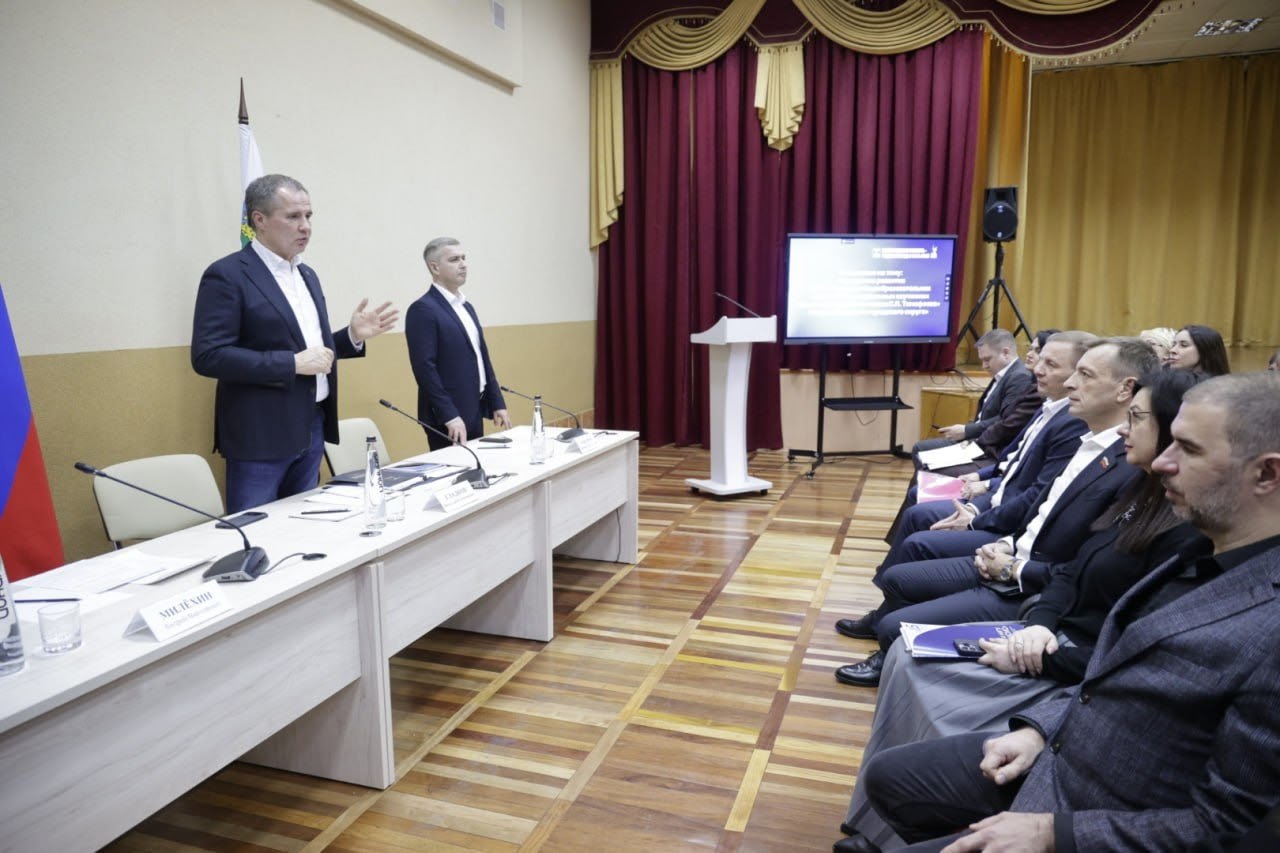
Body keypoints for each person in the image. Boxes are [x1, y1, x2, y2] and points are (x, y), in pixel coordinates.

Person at [858, 371, 1280, 853]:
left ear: (1267, 474)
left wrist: (1053, 834)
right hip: (1065, 751)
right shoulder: (1203, 545)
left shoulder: (1263, 620)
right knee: (890, 778)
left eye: (1189, 449)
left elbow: (1234, 829)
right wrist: (1041, 729)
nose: (1165, 461)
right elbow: (1112, 670)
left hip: (1103, 814)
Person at [835, 338, 1158, 686]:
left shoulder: (1125, 462)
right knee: (900, 574)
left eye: (1085, 374)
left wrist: (1011, 564)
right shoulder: (1091, 442)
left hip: (1029, 585)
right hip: (1011, 554)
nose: (1069, 383)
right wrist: (1005, 544)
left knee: (894, 616)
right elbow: (1037, 504)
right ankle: (891, 637)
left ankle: (890, 644)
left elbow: (1080, 565)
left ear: (1125, 389)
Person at [192, 174, 397, 512]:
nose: (305, 226)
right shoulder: (228, 274)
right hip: (261, 435)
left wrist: (352, 337)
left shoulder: (306, 274)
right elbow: (209, 355)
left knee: (303, 528)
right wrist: (291, 364)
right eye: (293, 216)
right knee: (257, 530)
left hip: (312, 423)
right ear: (259, 220)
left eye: (308, 216)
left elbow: (310, 351)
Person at [405, 237, 511, 450]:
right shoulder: (423, 309)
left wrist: (496, 401)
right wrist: (449, 415)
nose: (463, 264)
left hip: (474, 407)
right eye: (454, 260)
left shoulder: (466, 306)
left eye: (464, 258)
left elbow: (481, 357)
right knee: (455, 469)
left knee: (477, 467)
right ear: (435, 267)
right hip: (447, 417)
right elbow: (424, 369)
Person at [914, 329, 1036, 462]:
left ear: (1006, 352)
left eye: (987, 359)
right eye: (982, 361)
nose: (984, 366)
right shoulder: (1004, 375)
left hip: (990, 447)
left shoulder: (1019, 377)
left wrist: (967, 431)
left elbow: (1006, 419)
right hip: (977, 439)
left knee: (921, 450)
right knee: (922, 450)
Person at [1166, 323, 1230, 375]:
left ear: (1205, 351)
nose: (1172, 350)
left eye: (1184, 345)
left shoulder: (1219, 385)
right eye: (1173, 345)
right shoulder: (1165, 379)